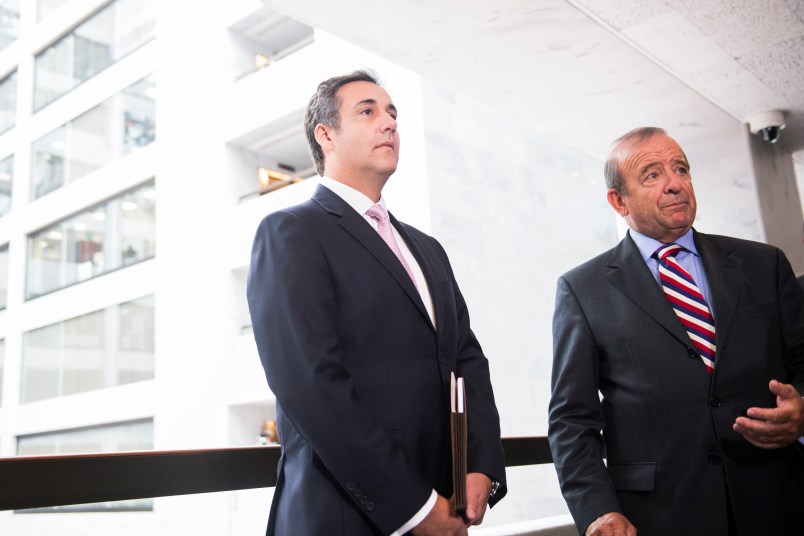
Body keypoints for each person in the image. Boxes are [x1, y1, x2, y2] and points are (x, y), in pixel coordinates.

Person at [247, 70, 507, 536]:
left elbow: (466, 359)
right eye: (367, 112)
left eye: (392, 114)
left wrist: (480, 467)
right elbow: (311, 385)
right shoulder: (291, 233)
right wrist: (414, 507)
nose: (388, 123)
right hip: (343, 515)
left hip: (445, 506)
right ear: (325, 135)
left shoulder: (427, 248)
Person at [548, 127, 804, 536]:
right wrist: (596, 509)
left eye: (680, 168)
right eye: (651, 175)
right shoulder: (583, 289)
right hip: (661, 515)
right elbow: (571, 420)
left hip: (776, 499)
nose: (674, 184)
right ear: (618, 201)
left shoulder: (764, 264)